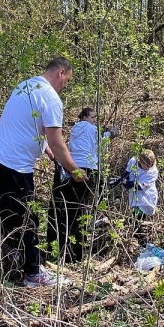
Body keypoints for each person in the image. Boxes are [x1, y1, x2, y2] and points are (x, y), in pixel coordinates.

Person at [0, 58, 86, 286]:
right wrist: (75, 170)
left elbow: (29, 125)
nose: (65, 87)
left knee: (11, 216)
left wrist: (47, 152)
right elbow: (58, 141)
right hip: (13, 166)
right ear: (61, 73)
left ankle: (16, 261)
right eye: (67, 81)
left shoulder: (27, 85)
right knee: (27, 218)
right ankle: (33, 274)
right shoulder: (51, 98)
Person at [46, 108, 117, 262]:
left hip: (70, 167)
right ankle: (75, 254)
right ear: (85, 117)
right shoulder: (93, 129)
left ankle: (56, 249)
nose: (94, 120)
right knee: (79, 211)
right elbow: (101, 148)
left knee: (64, 209)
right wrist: (109, 134)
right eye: (92, 117)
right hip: (86, 170)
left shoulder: (74, 129)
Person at [124, 149, 159, 243]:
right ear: (140, 161)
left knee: (134, 221)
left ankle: (145, 244)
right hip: (136, 198)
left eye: (150, 166)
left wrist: (126, 183)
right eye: (146, 166)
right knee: (134, 222)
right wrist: (121, 181)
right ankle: (143, 244)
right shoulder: (133, 161)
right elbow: (126, 174)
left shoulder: (153, 171)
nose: (148, 168)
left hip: (145, 199)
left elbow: (139, 186)